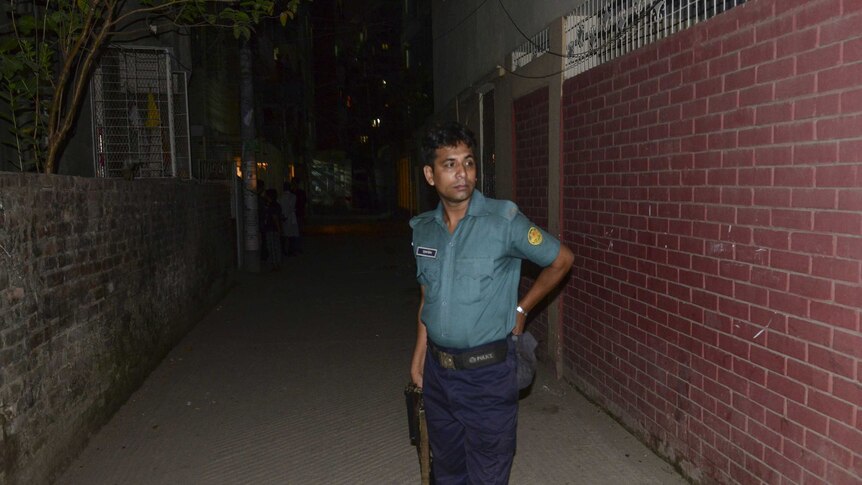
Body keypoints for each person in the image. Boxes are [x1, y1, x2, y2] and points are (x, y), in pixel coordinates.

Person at [409, 122, 574, 484]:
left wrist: (522, 308)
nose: (462, 173)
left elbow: (561, 259)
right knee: (447, 472)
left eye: (468, 162)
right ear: (429, 174)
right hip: (438, 372)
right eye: (449, 164)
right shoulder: (423, 229)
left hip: (486, 375)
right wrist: (419, 354)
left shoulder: (504, 221)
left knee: (486, 475)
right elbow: (428, 296)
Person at [262, 188, 283, 270]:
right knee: (276, 246)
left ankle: (275, 264)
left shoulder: (272, 205)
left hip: (271, 228)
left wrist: (279, 228)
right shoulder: (276, 205)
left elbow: (275, 218)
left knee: (272, 246)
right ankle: (276, 263)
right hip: (273, 228)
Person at [279, 182, 300, 256]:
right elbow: (291, 207)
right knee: (291, 235)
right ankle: (291, 250)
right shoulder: (293, 196)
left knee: (285, 235)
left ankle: (285, 250)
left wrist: (283, 216)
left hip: (284, 217)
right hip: (290, 217)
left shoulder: (281, 197)